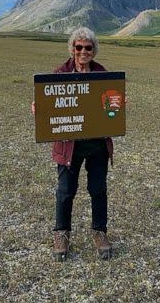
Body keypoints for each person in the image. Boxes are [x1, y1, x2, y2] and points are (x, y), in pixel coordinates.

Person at [32, 27, 114, 261]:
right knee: (65, 191)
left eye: (88, 48)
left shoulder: (103, 74)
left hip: (97, 144)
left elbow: (110, 105)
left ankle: (99, 232)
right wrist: (39, 109)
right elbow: (49, 103)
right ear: (72, 49)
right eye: (79, 47)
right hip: (69, 145)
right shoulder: (60, 73)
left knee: (98, 190)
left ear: (94, 50)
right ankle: (62, 233)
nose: (83, 52)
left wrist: (118, 104)